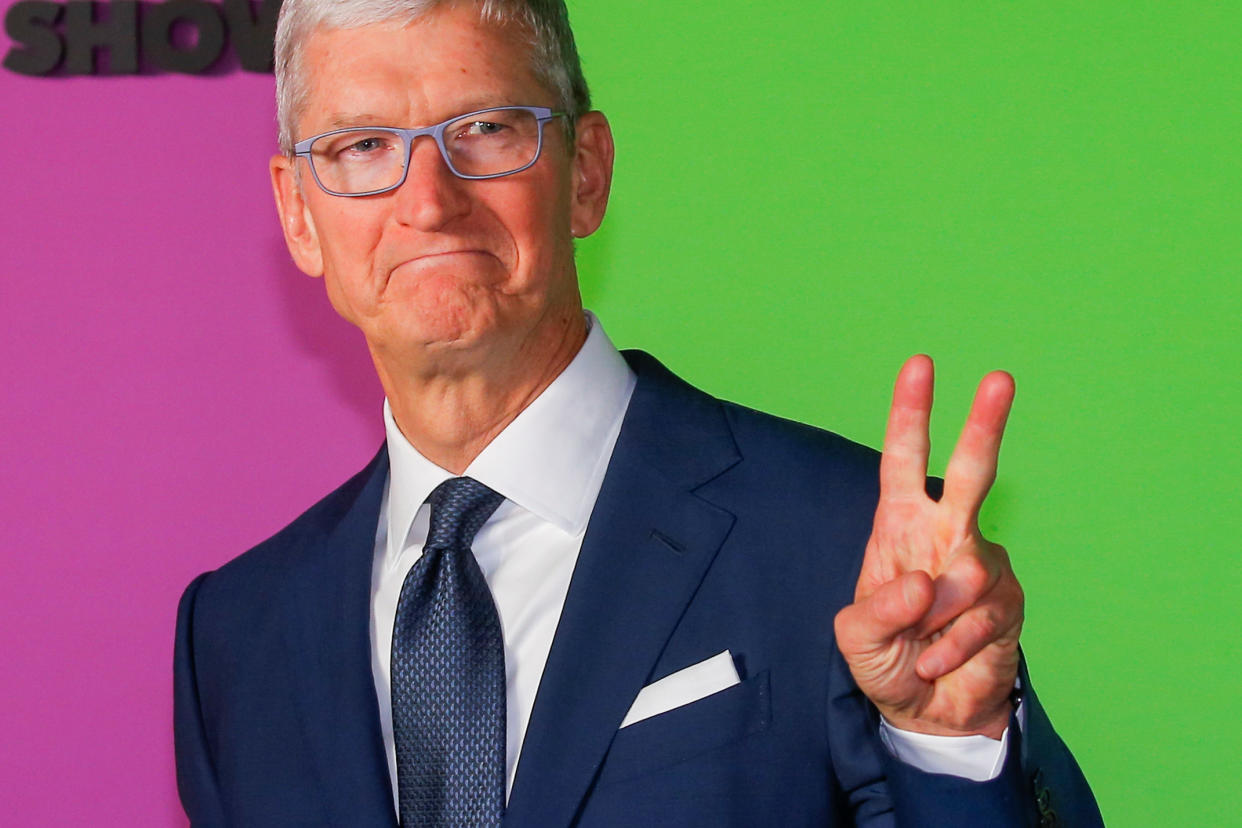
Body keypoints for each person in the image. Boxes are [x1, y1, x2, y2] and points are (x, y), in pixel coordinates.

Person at [173, 1, 1103, 825]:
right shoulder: (236, 637)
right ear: (299, 214)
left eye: (488, 128)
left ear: (586, 173)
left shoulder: (849, 547)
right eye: (363, 147)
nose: (428, 201)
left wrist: (951, 750)